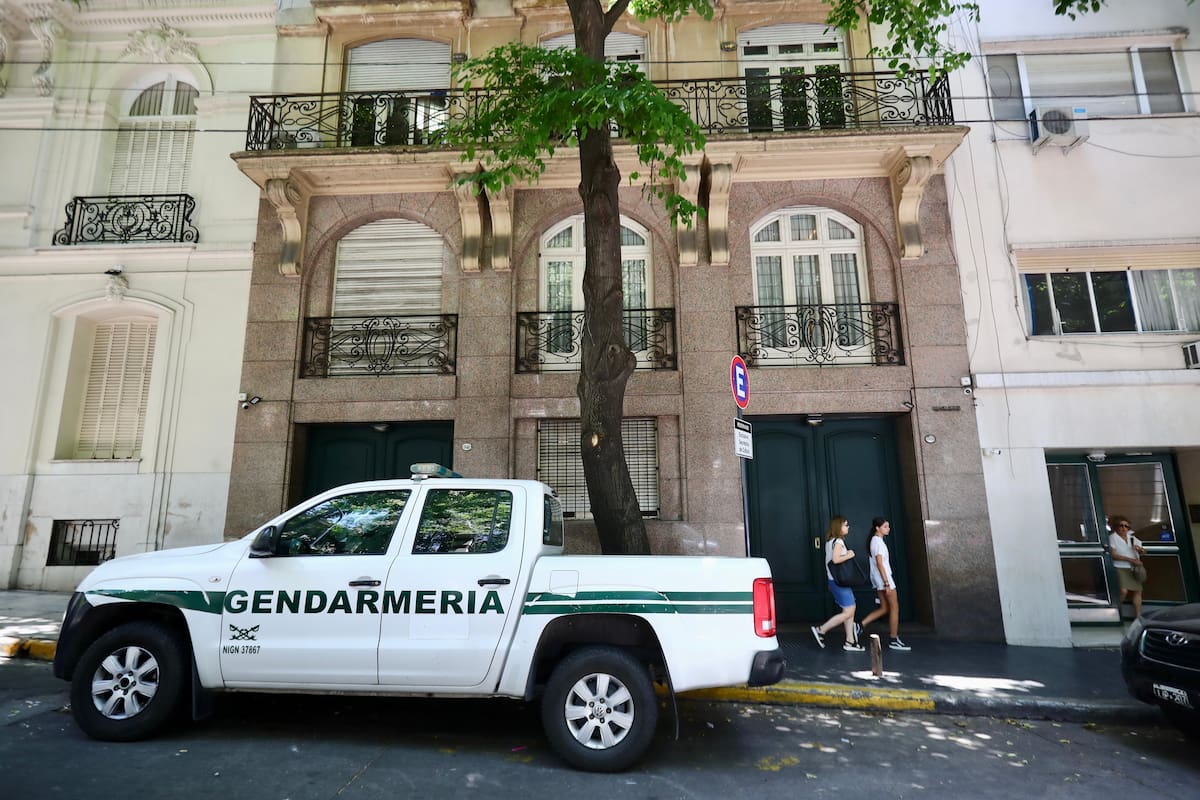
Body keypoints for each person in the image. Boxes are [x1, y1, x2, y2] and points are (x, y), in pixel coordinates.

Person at [811, 516, 864, 652]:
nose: (848, 527)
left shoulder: (830, 541)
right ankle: (821, 630)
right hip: (839, 582)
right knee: (849, 611)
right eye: (845, 525)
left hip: (834, 580)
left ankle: (850, 641)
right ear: (838, 527)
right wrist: (850, 555)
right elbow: (835, 560)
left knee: (849, 610)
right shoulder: (839, 541)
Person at [857, 517, 910, 651]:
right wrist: (886, 583)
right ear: (877, 528)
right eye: (885, 526)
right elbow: (880, 563)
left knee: (885, 608)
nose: (888, 529)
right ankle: (893, 638)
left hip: (879, 579)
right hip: (884, 579)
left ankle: (860, 625)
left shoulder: (875, 541)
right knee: (894, 608)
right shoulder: (878, 542)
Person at [1108, 515, 1146, 618]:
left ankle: (1138, 616)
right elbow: (1114, 555)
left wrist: (1140, 550)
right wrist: (1131, 560)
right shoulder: (1113, 538)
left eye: (1126, 526)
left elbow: (1143, 551)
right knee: (1123, 591)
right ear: (1116, 527)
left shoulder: (1132, 538)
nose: (1124, 528)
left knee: (1138, 591)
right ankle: (1115, 612)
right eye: (1121, 526)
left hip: (1133, 568)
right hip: (1120, 567)